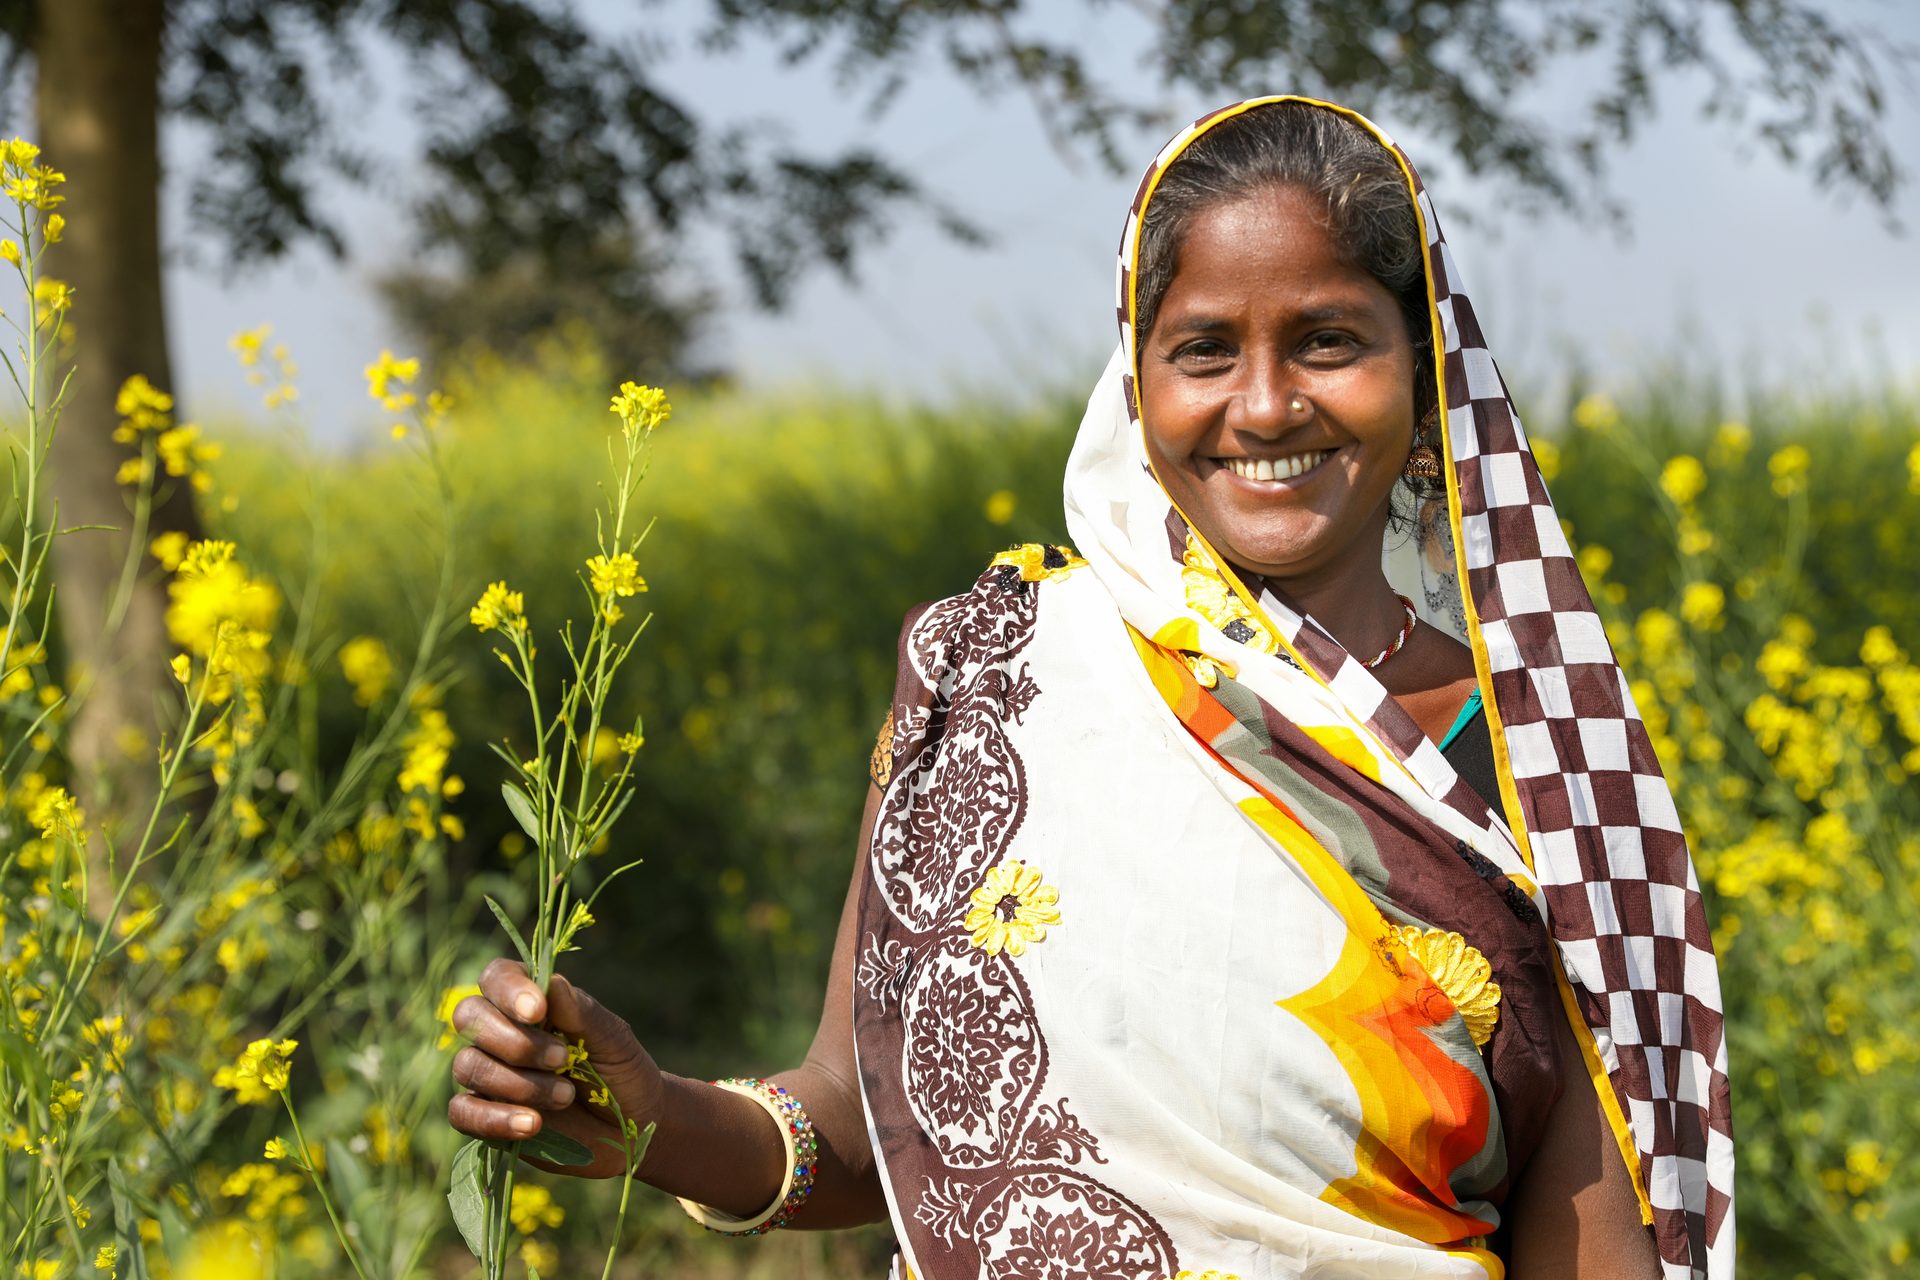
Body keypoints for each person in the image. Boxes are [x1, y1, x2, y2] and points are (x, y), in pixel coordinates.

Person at [446, 96, 1733, 1279]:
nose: (1268, 404)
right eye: (1206, 349)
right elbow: (858, 1121)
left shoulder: (1530, 749)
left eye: (1331, 340)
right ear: (1137, 376)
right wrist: (653, 1111)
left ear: (1424, 363)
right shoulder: (999, 672)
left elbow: (1594, 1229)